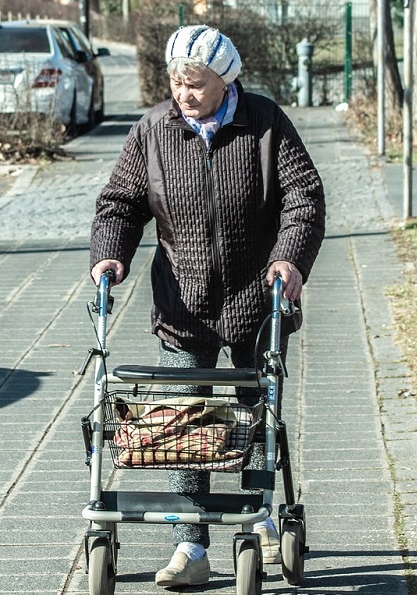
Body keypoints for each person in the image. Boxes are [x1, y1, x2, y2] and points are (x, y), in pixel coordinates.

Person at [89, 24, 326, 588]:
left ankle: (258, 519)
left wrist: (290, 259)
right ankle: (190, 547)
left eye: (195, 83)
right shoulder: (153, 129)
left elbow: (303, 198)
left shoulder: (265, 123)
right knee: (183, 423)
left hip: (256, 299)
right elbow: (120, 203)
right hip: (183, 301)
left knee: (254, 414)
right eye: (176, 82)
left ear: (225, 80)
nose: (184, 93)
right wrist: (110, 255)